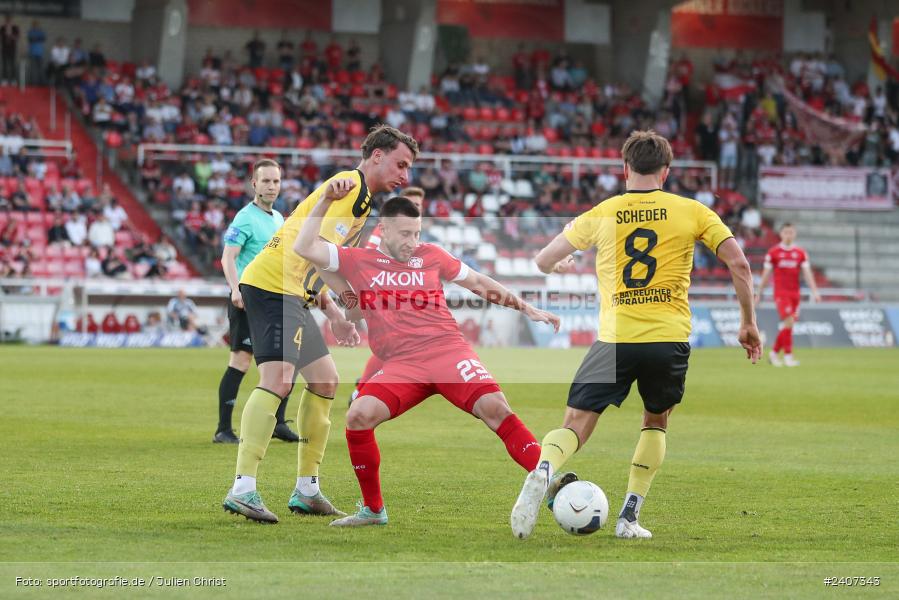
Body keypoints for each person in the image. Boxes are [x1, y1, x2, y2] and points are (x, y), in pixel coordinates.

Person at [510, 130, 762, 540]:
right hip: (668, 337)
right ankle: (629, 517)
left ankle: (545, 467)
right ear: (666, 170)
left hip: (615, 338)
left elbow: (543, 259)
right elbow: (740, 265)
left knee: (576, 422)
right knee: (656, 421)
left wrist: (558, 265)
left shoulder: (604, 211)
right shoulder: (693, 211)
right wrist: (748, 322)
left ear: (624, 168)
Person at [296, 194, 560, 527]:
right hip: (402, 365)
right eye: (405, 234)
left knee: (496, 408)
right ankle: (373, 510)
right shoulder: (358, 259)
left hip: (448, 351)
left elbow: (477, 282)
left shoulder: (432, 255)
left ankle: (554, 487)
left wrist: (526, 308)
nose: (413, 242)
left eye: (417, 233)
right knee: (358, 416)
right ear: (385, 229)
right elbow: (305, 246)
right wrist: (326, 201)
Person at [222, 125, 418, 523]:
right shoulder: (351, 190)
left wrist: (335, 313)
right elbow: (313, 253)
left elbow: (319, 258)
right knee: (277, 380)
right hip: (272, 285)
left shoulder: (359, 198)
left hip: (290, 289)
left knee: (325, 380)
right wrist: (352, 303)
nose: (405, 176)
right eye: (401, 164)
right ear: (376, 156)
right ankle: (243, 488)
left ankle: (307, 489)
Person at [215, 159, 296, 444]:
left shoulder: (278, 218)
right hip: (248, 299)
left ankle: (278, 423)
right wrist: (235, 289)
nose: (272, 186)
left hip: (274, 299)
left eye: (276, 181)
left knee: (288, 359)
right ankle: (223, 429)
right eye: (266, 181)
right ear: (254, 184)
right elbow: (229, 257)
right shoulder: (244, 217)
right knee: (241, 360)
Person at [348, 186, 425, 405]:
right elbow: (368, 259)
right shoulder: (383, 233)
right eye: (411, 204)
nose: (414, 208)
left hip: (402, 296)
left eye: (418, 205)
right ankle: (362, 389)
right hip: (382, 295)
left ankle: (366, 385)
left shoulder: (414, 233)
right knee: (391, 344)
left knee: (395, 346)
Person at [754, 223, 821, 367]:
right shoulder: (774, 252)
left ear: (794, 234)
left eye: (791, 232)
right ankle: (788, 356)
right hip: (781, 293)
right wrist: (759, 292)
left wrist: (815, 290)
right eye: (786, 232)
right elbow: (766, 275)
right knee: (789, 322)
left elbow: (807, 274)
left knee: (788, 325)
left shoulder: (800, 253)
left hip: (795, 294)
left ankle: (773, 354)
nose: (788, 235)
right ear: (781, 234)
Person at [0, 14, 19, 85]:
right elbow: (1, 36)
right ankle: (4, 79)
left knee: (12, 64)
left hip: (12, 49)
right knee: (4, 64)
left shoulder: (15, 28)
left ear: (11, 20)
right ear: (5, 20)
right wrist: (5, 33)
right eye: (6, 20)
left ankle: (13, 80)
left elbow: (17, 37)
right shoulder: (2, 28)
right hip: (4, 49)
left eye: (9, 20)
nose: (8, 21)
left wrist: (11, 35)